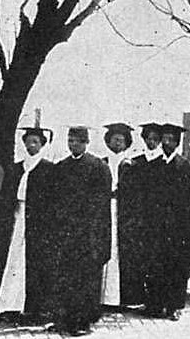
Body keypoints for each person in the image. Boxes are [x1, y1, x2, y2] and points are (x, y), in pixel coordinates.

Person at [50, 126, 112, 336]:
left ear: (86, 143)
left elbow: (101, 204)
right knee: (65, 278)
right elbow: (56, 199)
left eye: (77, 141)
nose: (73, 144)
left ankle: (81, 322)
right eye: (70, 140)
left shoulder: (98, 167)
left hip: (88, 235)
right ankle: (63, 319)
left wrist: (93, 232)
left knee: (85, 280)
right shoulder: (62, 167)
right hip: (67, 233)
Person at [0, 127, 55, 323]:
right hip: (17, 219)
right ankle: (9, 303)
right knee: (12, 259)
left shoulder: (47, 168)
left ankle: (33, 307)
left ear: (42, 145)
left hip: (37, 224)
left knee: (32, 262)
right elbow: (7, 196)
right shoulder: (16, 168)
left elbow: (51, 201)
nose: (31, 146)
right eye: (28, 142)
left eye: (36, 142)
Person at [144, 123, 190, 320]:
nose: (168, 143)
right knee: (156, 266)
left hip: (177, 228)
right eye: (164, 139)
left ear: (177, 143)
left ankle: (174, 306)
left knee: (176, 267)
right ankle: (155, 304)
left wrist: (188, 228)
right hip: (156, 226)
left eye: (172, 140)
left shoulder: (185, 167)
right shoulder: (154, 165)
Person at [118, 123, 162, 308]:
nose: (151, 142)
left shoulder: (163, 162)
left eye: (155, 139)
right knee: (137, 256)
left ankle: (154, 296)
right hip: (139, 217)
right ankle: (135, 296)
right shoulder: (136, 162)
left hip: (157, 218)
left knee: (155, 257)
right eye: (148, 139)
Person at [100, 123, 134, 310]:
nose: (117, 143)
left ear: (126, 143)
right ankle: (101, 297)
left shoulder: (130, 164)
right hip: (105, 209)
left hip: (123, 212)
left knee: (119, 251)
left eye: (121, 140)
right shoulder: (101, 162)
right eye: (114, 139)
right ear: (108, 141)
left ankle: (118, 298)